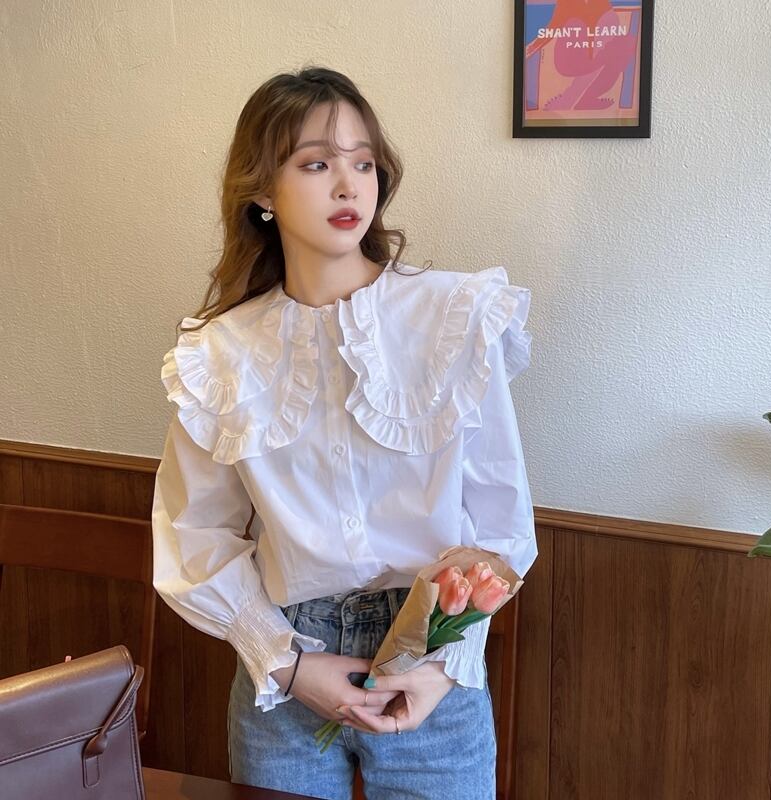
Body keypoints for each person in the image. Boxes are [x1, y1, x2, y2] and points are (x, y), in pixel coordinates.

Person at [151, 65, 537, 800]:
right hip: (285, 673)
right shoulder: (220, 352)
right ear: (262, 191)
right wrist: (287, 664)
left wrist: (440, 666)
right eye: (316, 163)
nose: (347, 186)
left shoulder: (452, 317)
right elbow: (193, 533)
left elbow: (501, 521)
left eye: (363, 163)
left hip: (434, 662)